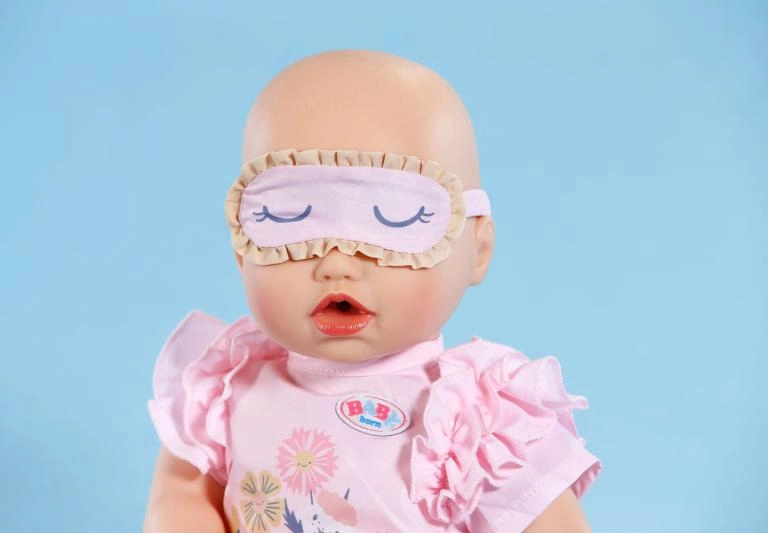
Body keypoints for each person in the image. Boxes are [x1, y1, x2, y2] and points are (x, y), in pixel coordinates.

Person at [144, 50, 600, 533]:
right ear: (242, 250)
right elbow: (180, 498)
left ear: (478, 249)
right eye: (287, 216)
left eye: (397, 217)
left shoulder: (475, 422)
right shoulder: (228, 391)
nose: (337, 262)